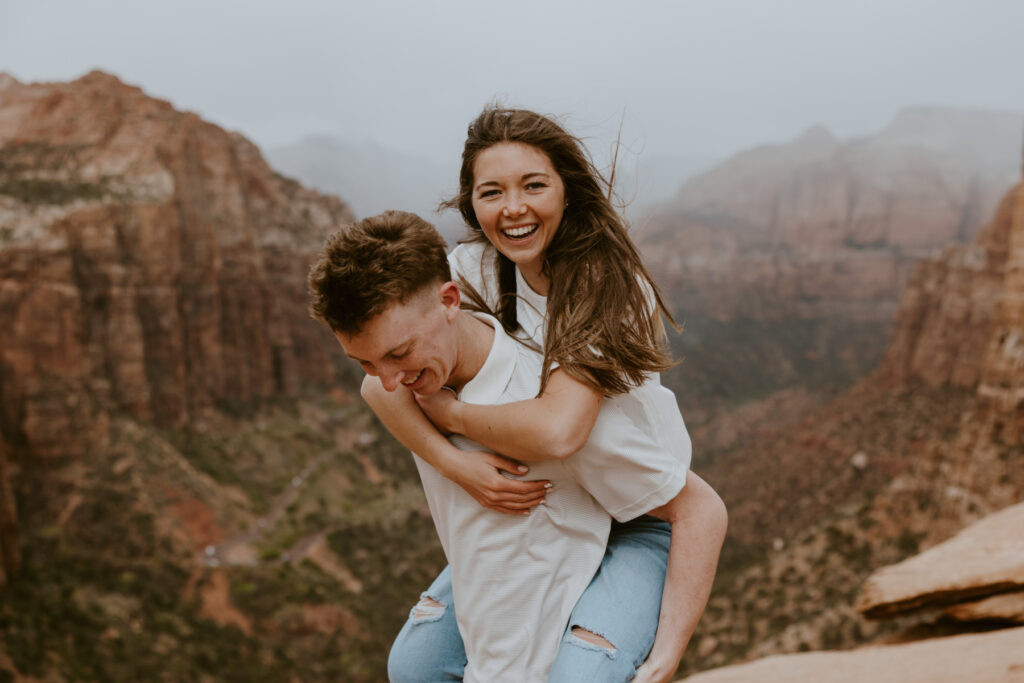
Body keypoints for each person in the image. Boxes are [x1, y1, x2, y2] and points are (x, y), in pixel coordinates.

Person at [363, 107, 727, 682]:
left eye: (534, 185)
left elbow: (562, 430)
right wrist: (458, 465)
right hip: (554, 498)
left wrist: (668, 652)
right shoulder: (473, 269)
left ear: (566, 189)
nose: (513, 208)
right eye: (492, 191)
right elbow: (379, 385)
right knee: (416, 666)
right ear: (471, 201)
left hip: (636, 507)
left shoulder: (607, 285)